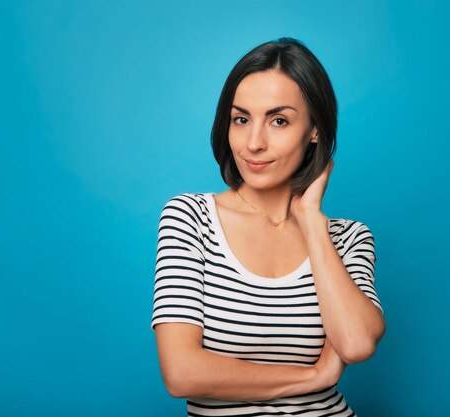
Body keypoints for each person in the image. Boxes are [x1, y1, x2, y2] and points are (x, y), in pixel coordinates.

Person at [151, 37, 386, 416]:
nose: (254, 143)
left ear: (314, 130)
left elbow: (356, 343)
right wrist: (314, 377)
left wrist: (311, 220)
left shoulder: (349, 237)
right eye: (241, 119)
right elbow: (181, 373)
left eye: (279, 120)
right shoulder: (190, 218)